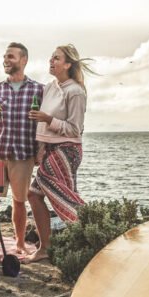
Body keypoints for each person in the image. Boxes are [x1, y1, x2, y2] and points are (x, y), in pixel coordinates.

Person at [25, 44, 94, 263]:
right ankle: (47, 247)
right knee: (34, 195)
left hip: (68, 149)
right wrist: (40, 150)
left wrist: (47, 119)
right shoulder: (49, 87)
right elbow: (41, 127)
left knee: (59, 194)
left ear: (67, 64)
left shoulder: (76, 91)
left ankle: (93, 227)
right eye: (51, 57)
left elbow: (75, 129)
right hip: (50, 149)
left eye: (56, 58)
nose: (51, 61)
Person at [0, 42, 44, 255]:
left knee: (19, 201)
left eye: (11, 57)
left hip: (24, 154)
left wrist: (40, 151)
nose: (6, 60)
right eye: (5, 57)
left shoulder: (38, 89)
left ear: (23, 60)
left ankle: (19, 244)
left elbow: (42, 124)